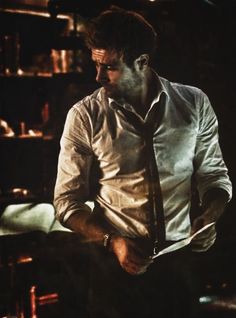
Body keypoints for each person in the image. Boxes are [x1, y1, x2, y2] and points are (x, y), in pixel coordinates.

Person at [54, 6, 232, 318]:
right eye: (95, 64)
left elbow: (214, 176)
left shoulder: (194, 103)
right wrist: (113, 241)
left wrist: (210, 215)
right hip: (115, 274)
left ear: (142, 62)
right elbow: (66, 202)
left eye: (109, 67)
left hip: (180, 269)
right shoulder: (84, 117)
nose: (97, 76)